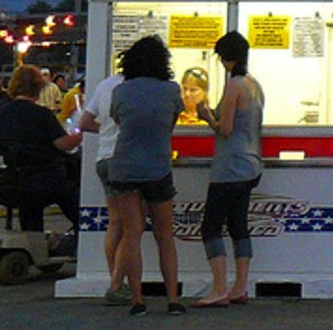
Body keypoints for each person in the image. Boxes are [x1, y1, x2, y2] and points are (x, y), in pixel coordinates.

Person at [108, 35, 184, 315]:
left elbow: (118, 121)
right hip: (158, 168)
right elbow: (170, 124)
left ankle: (137, 300)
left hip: (124, 167)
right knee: (165, 235)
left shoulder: (121, 91)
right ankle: (173, 299)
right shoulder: (171, 90)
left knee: (132, 235)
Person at [194, 32, 263, 308]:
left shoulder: (234, 85)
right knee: (238, 226)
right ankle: (239, 287)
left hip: (230, 166)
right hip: (252, 163)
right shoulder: (254, 84)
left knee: (210, 226)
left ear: (227, 57)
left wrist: (207, 116)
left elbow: (225, 129)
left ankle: (219, 288)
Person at [0, 65, 81, 246]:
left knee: (31, 198)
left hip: (4, 181)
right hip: (39, 180)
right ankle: (85, 234)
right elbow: (63, 144)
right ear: (38, 88)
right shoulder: (41, 115)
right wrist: (82, 134)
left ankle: (34, 241)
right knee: (70, 191)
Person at [75, 59, 129, 304]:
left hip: (103, 160)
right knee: (132, 225)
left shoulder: (105, 85)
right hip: (126, 161)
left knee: (115, 222)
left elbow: (84, 123)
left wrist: (106, 131)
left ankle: (114, 281)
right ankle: (118, 284)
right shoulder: (136, 87)